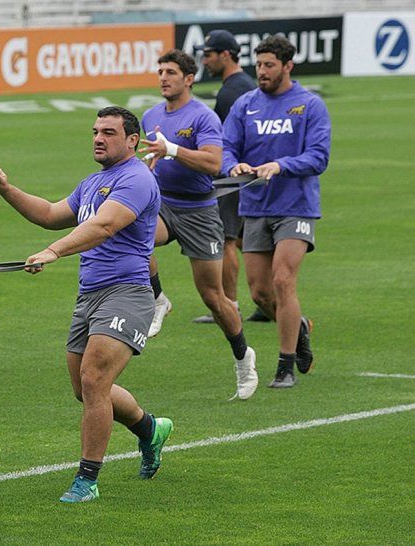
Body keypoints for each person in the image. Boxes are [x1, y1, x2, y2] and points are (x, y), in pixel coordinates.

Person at [0, 106, 173, 503]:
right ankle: (150, 430)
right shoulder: (93, 181)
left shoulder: (136, 178)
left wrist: (53, 252)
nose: (98, 138)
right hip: (90, 296)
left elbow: (104, 226)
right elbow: (51, 214)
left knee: (95, 381)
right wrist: (7, 191)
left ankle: (88, 479)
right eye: (95, 131)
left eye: (109, 132)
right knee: (85, 390)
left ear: (132, 141)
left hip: (127, 294)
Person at [138, 49, 258, 400]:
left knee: (213, 298)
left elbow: (213, 163)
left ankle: (242, 357)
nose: (163, 77)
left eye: (171, 72)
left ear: (189, 79)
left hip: (199, 212)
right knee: (132, 232)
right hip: (163, 203)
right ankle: (158, 298)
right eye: (160, 71)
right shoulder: (151, 115)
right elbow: (150, 159)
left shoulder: (203, 117)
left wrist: (171, 149)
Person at [222, 35, 329, 388]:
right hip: (254, 207)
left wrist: (280, 165)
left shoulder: (309, 105)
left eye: (269, 65)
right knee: (259, 293)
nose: (262, 71)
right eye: (259, 64)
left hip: (296, 206)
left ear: (287, 66)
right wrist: (233, 166)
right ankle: (297, 326)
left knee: (283, 280)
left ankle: (285, 366)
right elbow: (226, 147)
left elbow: (319, 156)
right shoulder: (245, 105)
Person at [192, 29, 262, 325]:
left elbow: (227, 140)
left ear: (225, 55)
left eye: (208, 55)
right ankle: (269, 300)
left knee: (226, 238)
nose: (204, 61)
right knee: (249, 241)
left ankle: (229, 304)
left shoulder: (231, 91)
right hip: (252, 171)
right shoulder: (245, 85)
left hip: (235, 174)